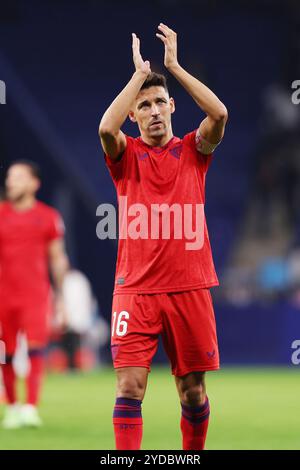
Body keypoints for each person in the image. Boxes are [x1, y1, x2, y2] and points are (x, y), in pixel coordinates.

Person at [99, 24, 228, 450]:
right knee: (129, 388)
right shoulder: (127, 155)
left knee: (192, 393)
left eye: (159, 102)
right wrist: (138, 77)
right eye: (144, 106)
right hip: (135, 291)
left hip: (189, 288)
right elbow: (105, 129)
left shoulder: (194, 150)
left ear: (172, 106)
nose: (153, 110)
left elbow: (220, 115)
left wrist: (173, 66)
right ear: (134, 116)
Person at [0, 160, 69, 428]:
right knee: (5, 352)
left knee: (36, 348)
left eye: (17, 177)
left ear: (33, 183)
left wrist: (61, 297)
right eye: (9, 177)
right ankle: (13, 407)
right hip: (3, 295)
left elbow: (57, 258)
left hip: (35, 294)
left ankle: (30, 406)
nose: (11, 182)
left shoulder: (48, 216)